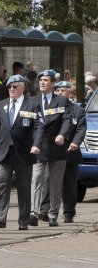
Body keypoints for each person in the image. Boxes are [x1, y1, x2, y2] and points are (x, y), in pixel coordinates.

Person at [0, 75, 42, 230]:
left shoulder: (32, 104)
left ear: (22, 88)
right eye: (10, 87)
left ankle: (23, 221)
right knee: (2, 184)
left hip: (24, 152)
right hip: (4, 151)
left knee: (24, 187)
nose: (12, 89)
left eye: (15, 87)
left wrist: (36, 144)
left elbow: (39, 126)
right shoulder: (1, 105)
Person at [31, 69, 73, 227]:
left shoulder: (62, 102)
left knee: (55, 183)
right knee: (36, 180)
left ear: (53, 84)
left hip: (57, 147)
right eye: (40, 80)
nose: (42, 82)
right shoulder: (32, 101)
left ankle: (53, 213)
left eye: (46, 80)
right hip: (38, 147)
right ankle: (33, 212)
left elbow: (68, 120)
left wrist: (63, 135)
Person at [55, 79, 86, 224]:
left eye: (63, 90)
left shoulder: (77, 110)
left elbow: (81, 129)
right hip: (53, 153)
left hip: (70, 153)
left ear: (69, 92)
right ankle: (47, 211)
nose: (60, 92)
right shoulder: (50, 108)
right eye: (58, 90)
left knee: (69, 186)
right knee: (49, 184)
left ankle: (68, 213)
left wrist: (75, 143)